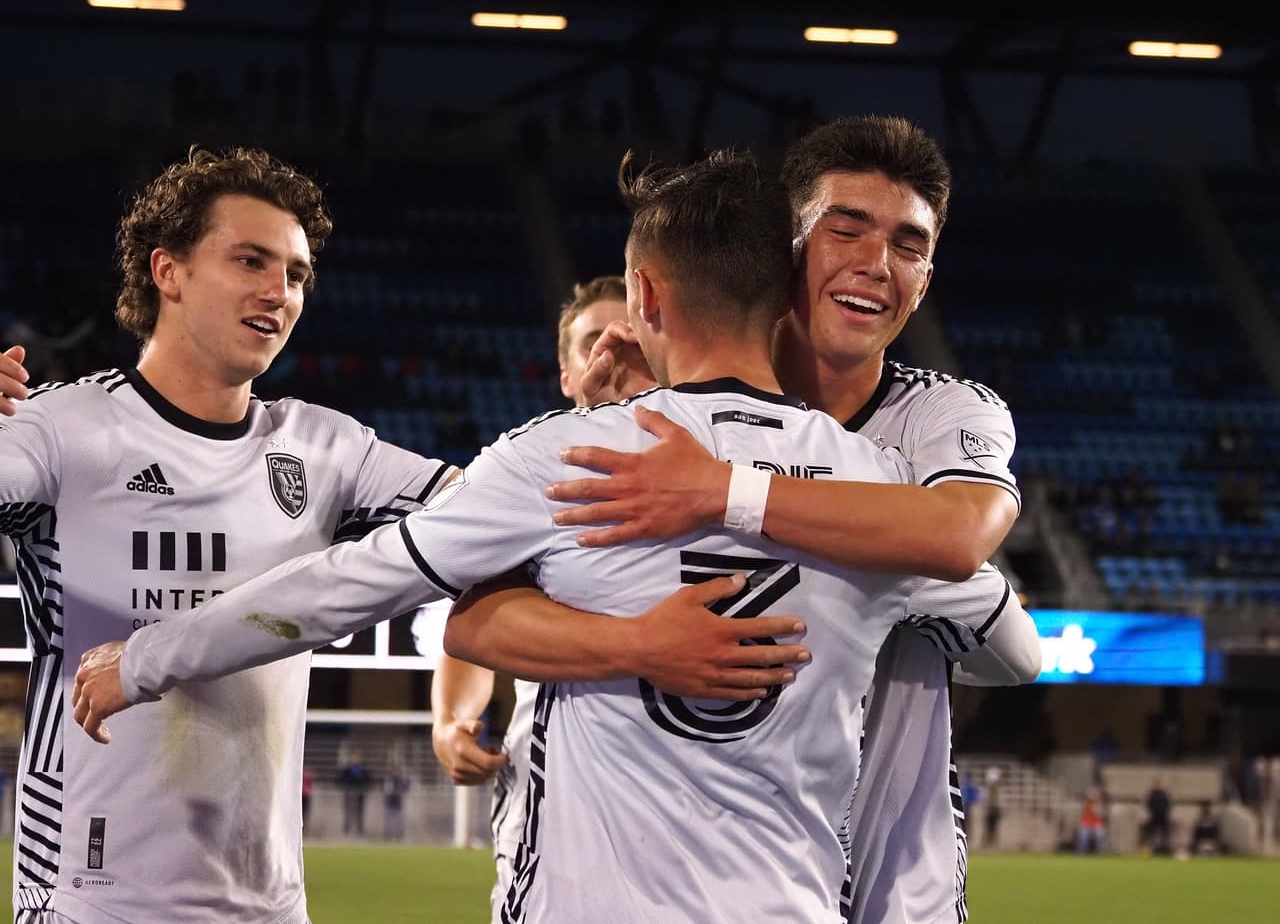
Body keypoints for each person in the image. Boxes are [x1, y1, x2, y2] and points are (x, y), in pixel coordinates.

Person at [71, 146, 1039, 922]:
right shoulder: (875, 493)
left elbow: (348, 584)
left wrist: (147, 658)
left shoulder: (570, 457)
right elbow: (1013, 649)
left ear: (647, 299)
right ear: (780, 288)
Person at [542, 114, 1024, 923]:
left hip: (898, 892)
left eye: (908, 246)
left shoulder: (945, 413)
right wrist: (627, 416)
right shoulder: (674, 425)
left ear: (927, 279)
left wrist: (722, 491)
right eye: (847, 229)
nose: (877, 265)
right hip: (719, 882)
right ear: (786, 246)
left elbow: (957, 538)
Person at [0, 145, 465, 924]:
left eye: (295, 274)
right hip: (94, 902)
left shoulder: (326, 450)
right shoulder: (63, 428)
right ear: (168, 271)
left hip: (270, 908)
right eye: (250, 260)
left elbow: (486, 514)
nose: (278, 292)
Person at [426, 273, 628, 920]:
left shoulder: (718, 470)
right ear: (567, 375)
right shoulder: (534, 479)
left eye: (630, 336)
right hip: (558, 824)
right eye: (593, 340)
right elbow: (476, 613)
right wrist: (453, 720)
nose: (613, 352)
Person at [338, 752, 372, 836]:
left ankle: (360, 829)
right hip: (349, 793)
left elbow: (369, 781)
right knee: (348, 811)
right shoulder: (347, 770)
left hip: (360, 794)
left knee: (359, 812)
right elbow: (340, 780)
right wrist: (346, 787)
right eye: (354, 758)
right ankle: (347, 829)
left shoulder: (363, 770)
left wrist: (364, 788)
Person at [1143, 779, 1173, 854]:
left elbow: (1168, 804)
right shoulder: (1152, 794)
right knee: (1150, 832)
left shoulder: (1163, 794)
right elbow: (1148, 804)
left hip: (1163, 816)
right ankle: (1149, 848)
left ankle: (1166, 848)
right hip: (1154, 816)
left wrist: (1164, 812)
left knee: (1165, 833)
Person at [382, 766, 411, 840]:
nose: (396, 773)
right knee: (388, 820)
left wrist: (407, 781)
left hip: (398, 803)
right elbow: (387, 790)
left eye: (397, 771)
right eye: (394, 771)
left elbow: (406, 789)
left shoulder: (401, 780)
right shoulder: (389, 780)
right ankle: (388, 835)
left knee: (399, 820)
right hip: (390, 802)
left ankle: (399, 835)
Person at [1076, 784, 1106, 854]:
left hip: (1096, 823)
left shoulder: (1099, 803)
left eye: (1094, 794)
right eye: (1090, 794)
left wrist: (1093, 807)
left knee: (1100, 836)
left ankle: (1101, 853)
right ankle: (1081, 853)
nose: (1092, 796)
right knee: (1083, 838)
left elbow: (1099, 814)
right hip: (1085, 823)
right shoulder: (1085, 803)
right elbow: (1081, 812)